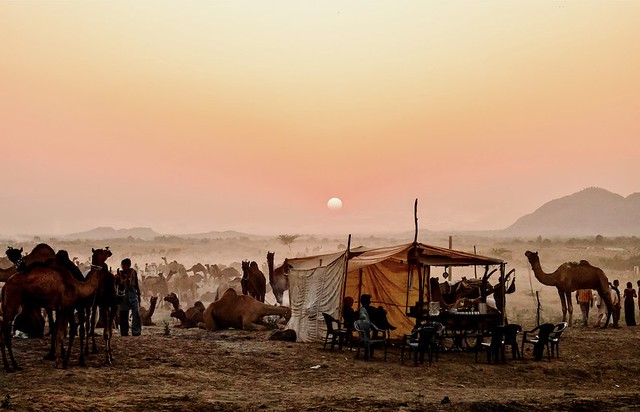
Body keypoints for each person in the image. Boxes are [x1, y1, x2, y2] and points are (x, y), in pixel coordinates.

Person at [116, 258, 142, 336]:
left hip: (133, 295)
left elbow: (136, 284)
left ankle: (136, 331)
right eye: (122, 265)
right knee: (123, 315)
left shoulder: (133, 272)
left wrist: (139, 295)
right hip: (123, 297)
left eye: (124, 265)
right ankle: (124, 332)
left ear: (128, 265)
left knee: (136, 314)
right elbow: (117, 285)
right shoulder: (120, 274)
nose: (123, 267)